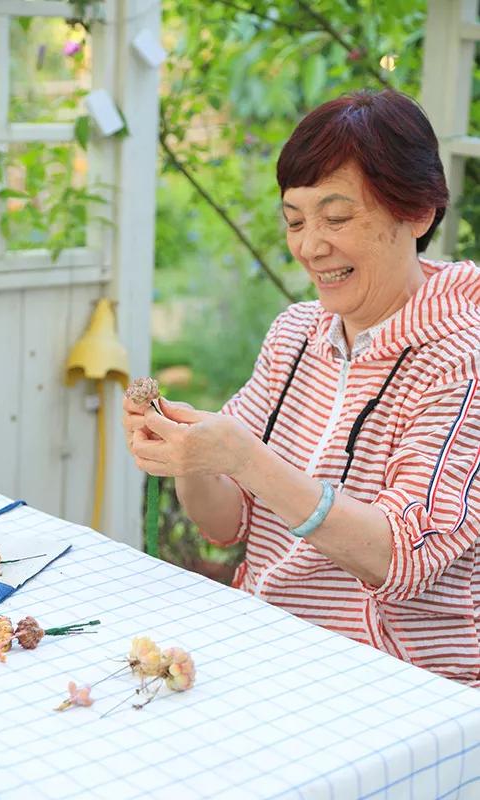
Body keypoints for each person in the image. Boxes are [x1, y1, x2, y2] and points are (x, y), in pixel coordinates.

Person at [123, 89, 480, 686]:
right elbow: (226, 524)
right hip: (272, 653)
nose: (311, 246)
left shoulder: (460, 358)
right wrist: (191, 455)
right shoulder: (295, 334)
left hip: (400, 683)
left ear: (417, 213)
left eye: (337, 218)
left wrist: (245, 456)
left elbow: (400, 556)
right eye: (295, 220)